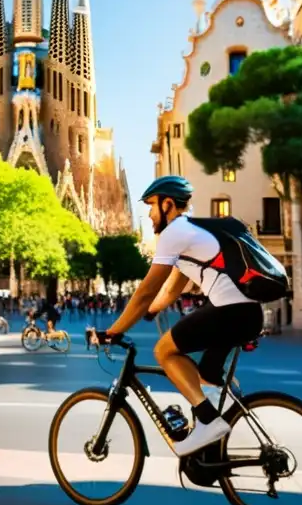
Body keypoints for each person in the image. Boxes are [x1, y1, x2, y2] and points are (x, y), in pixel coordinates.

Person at [91, 175, 271, 457]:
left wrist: (113, 332)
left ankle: (209, 423)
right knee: (206, 377)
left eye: (151, 206)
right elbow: (173, 288)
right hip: (247, 313)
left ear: (168, 204)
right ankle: (210, 451)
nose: (149, 214)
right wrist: (151, 312)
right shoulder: (192, 234)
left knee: (163, 350)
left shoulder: (175, 233)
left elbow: (145, 291)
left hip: (230, 311)